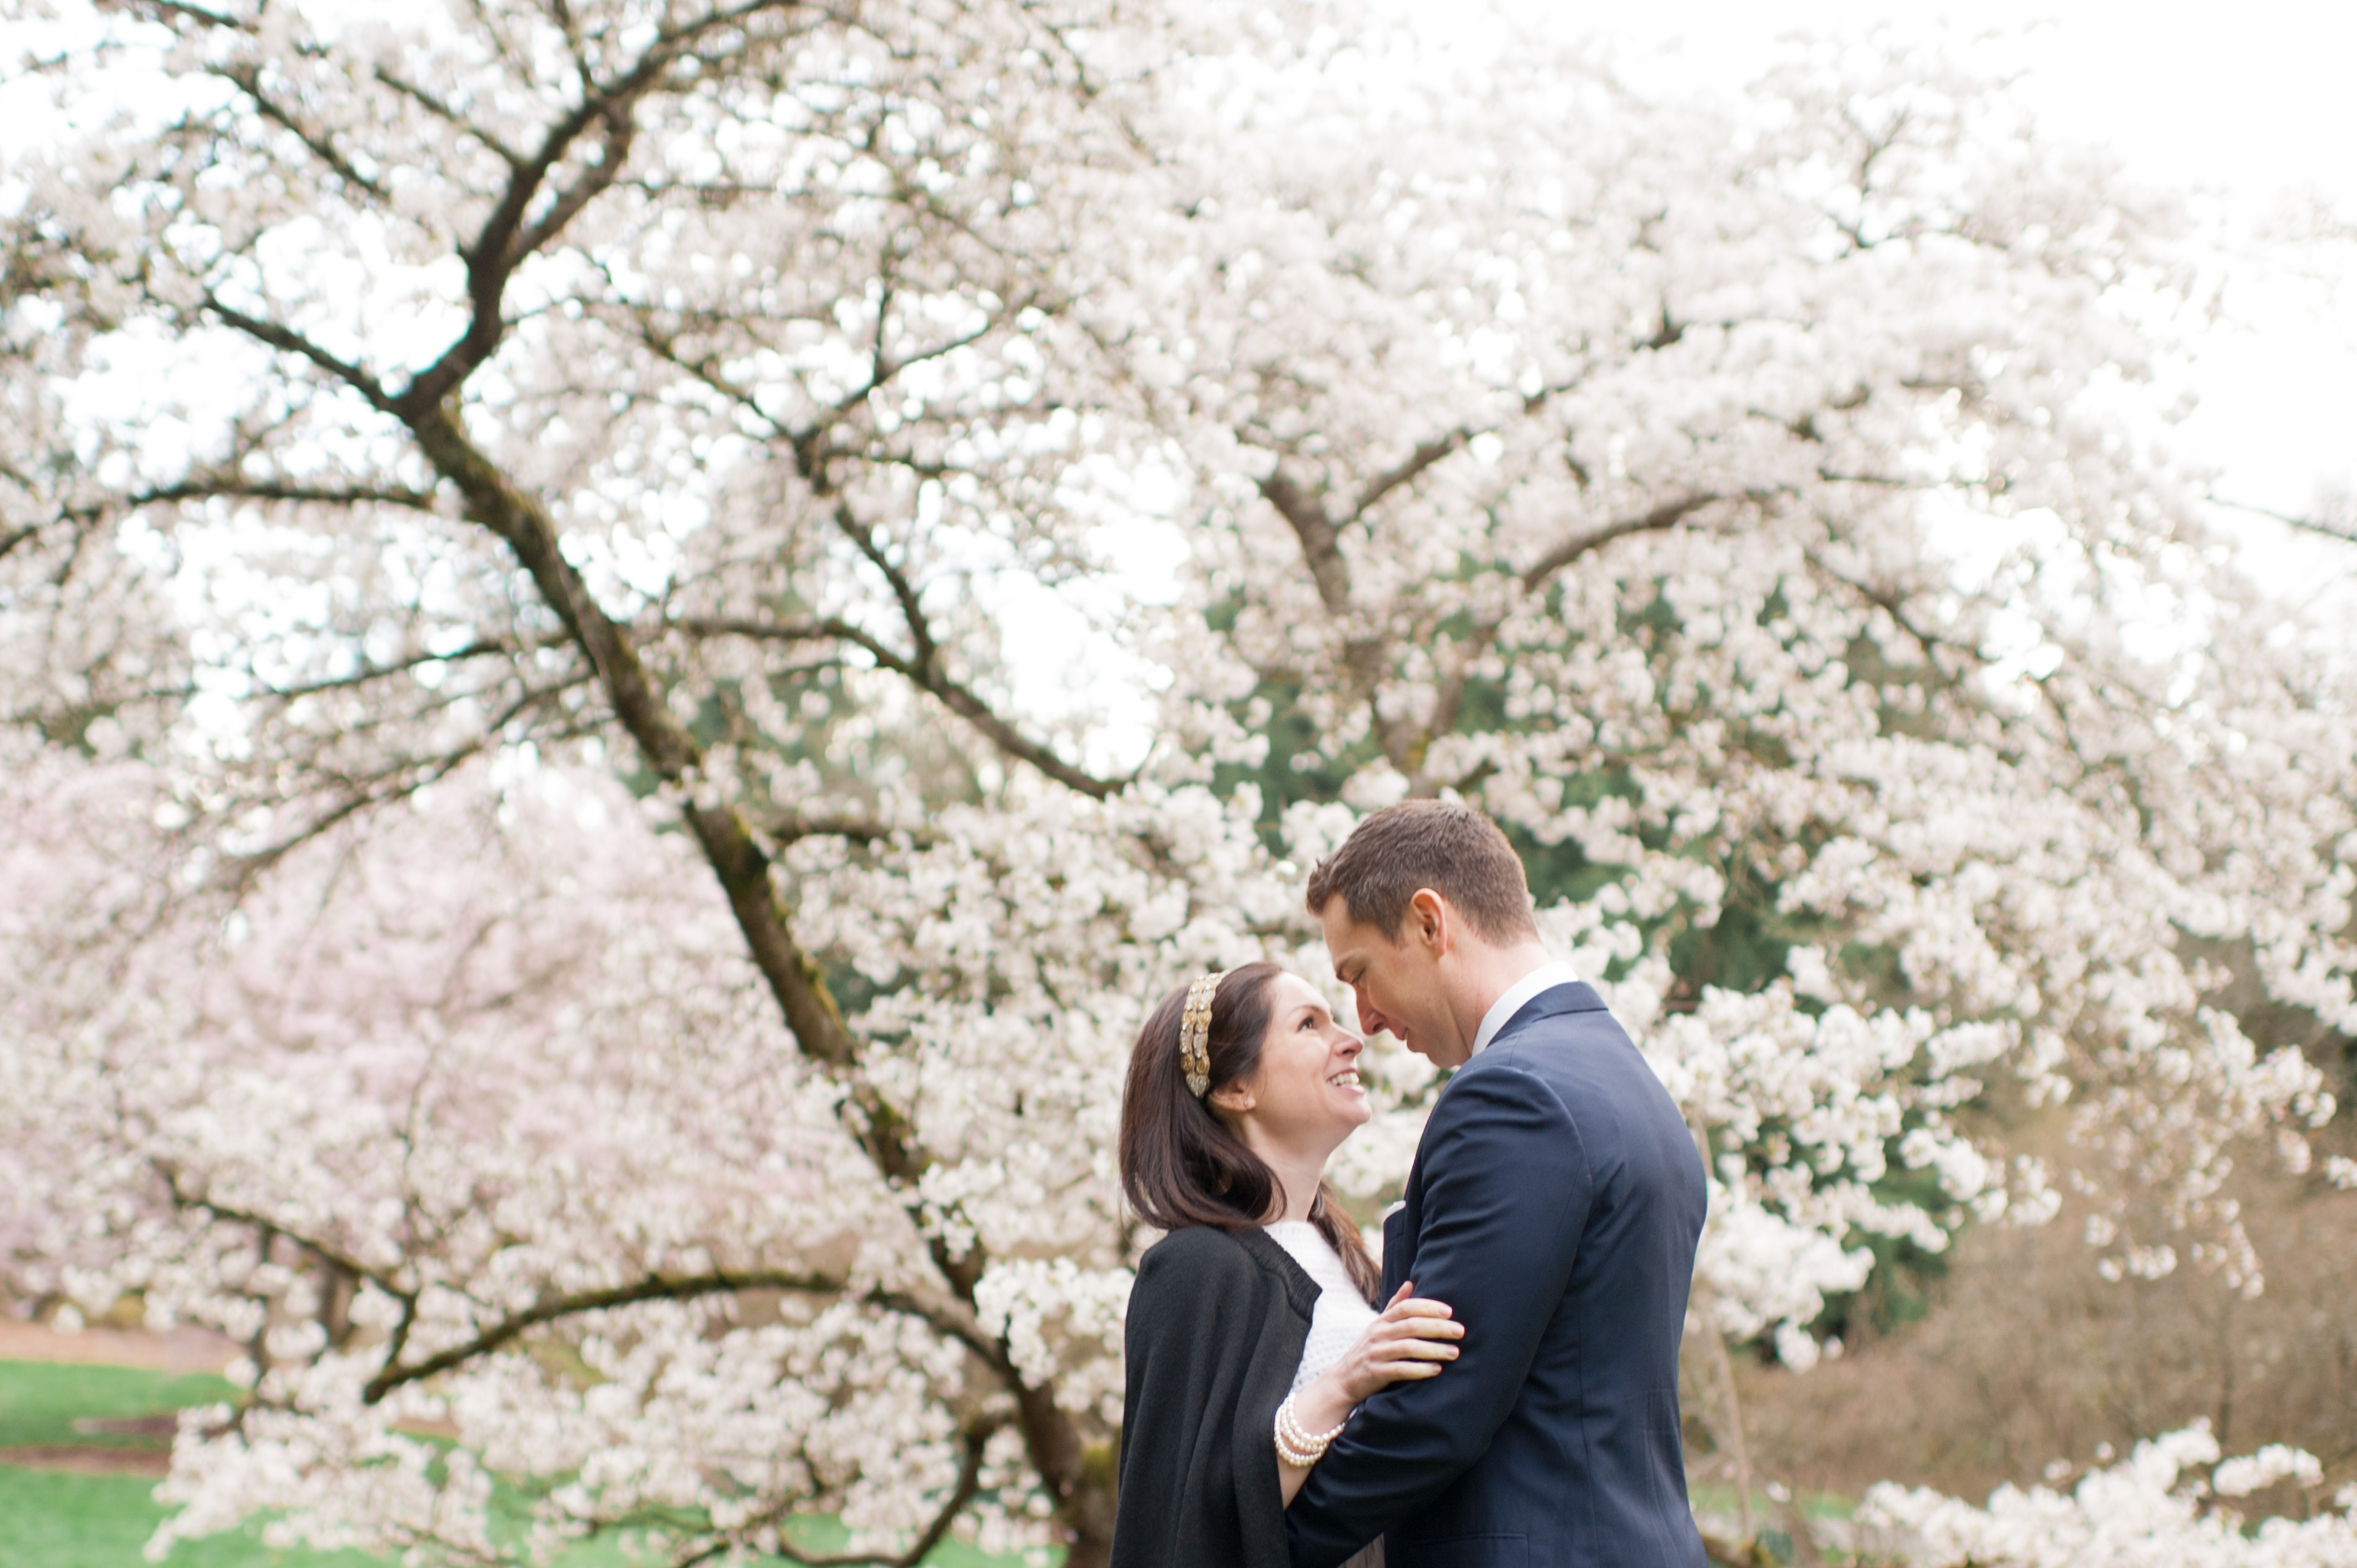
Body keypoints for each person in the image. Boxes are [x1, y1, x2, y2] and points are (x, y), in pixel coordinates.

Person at [1286, 798, 1709, 1568]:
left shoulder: (1512, 1096)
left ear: (1427, 922)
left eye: (1360, 974)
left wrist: (1258, 1539)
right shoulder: (1630, 1084)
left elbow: (1439, 1405)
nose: (1366, 1019)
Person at [1110, 960, 1466, 1568]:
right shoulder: (1194, 1267)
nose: (1351, 1038)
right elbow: (1182, 1519)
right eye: (1309, 1025)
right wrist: (1344, 1384)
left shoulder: (1342, 1257)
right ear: (1234, 1089)